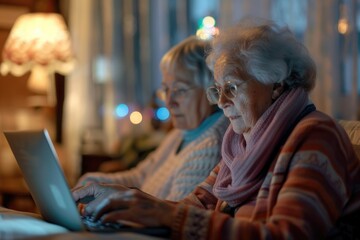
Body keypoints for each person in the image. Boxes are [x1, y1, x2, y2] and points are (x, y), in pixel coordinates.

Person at [72, 18, 360, 239]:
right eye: (217, 89)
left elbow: (286, 234)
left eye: (232, 88)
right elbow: (194, 205)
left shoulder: (315, 136)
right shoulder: (241, 143)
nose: (221, 102)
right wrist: (122, 199)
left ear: (277, 85)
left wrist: (161, 215)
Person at [75, 36, 229, 201]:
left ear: (211, 89)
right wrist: (92, 182)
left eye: (180, 90)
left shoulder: (211, 145)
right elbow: (139, 176)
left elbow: (170, 216)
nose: (169, 102)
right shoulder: (181, 133)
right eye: (166, 90)